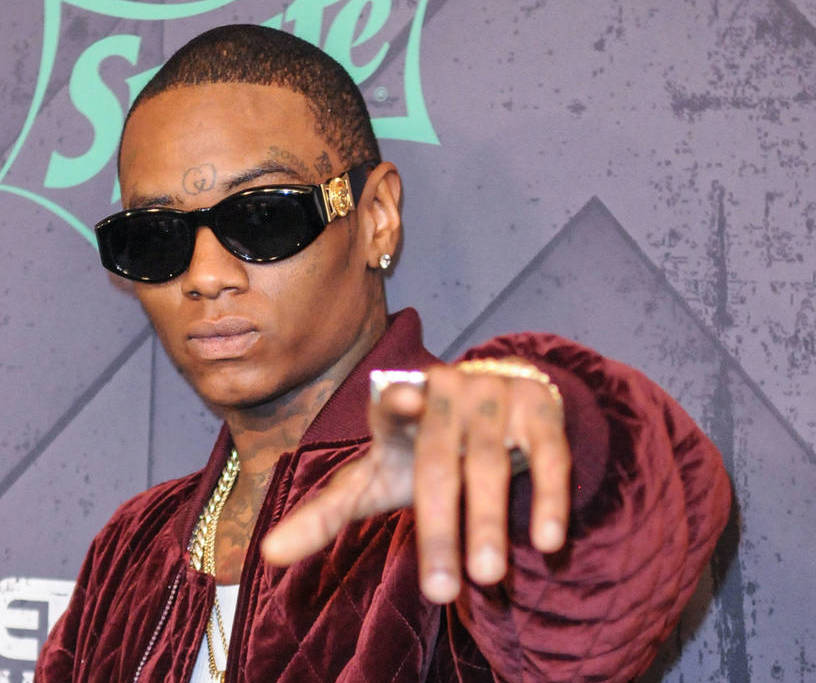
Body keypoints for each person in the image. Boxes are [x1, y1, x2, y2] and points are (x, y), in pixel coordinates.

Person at [36, 24, 730, 682]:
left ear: (376, 217)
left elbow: (611, 572)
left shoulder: (456, 493)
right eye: (155, 237)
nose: (206, 276)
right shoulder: (131, 546)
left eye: (263, 216)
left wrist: (565, 432)